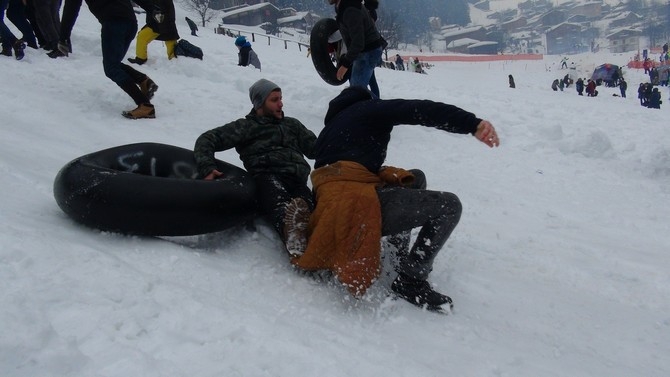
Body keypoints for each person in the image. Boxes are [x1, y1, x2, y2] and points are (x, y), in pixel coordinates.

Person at [290, 86, 500, 312]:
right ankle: (410, 281)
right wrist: (472, 124)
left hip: (331, 202)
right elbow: (419, 109)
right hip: (352, 204)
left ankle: (396, 254)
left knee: (415, 178)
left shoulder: (331, 128)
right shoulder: (368, 109)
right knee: (449, 206)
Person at [193, 79, 316, 254]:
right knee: (280, 204)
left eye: (281, 98)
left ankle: (312, 238)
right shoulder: (246, 127)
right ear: (259, 104)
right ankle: (291, 235)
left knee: (307, 207)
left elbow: (316, 149)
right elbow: (207, 139)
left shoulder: (292, 125)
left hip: (297, 180)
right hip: (267, 176)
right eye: (274, 100)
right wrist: (207, 166)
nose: (280, 104)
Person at [66, 0, 159, 119]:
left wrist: (63, 37)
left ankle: (145, 105)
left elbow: (71, 10)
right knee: (114, 64)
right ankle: (144, 81)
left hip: (113, 23)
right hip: (130, 22)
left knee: (111, 68)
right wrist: (151, 8)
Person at [329, 0, 385, 98]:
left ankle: (380, 109)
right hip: (365, 51)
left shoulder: (350, 9)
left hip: (368, 52)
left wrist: (345, 64)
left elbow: (358, 42)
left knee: (356, 92)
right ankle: (376, 107)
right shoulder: (345, 7)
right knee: (357, 90)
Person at [127, 0, 179, 65]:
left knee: (171, 44)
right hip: (155, 25)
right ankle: (140, 58)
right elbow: (146, 5)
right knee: (142, 37)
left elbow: (164, 10)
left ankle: (176, 62)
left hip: (166, 24)